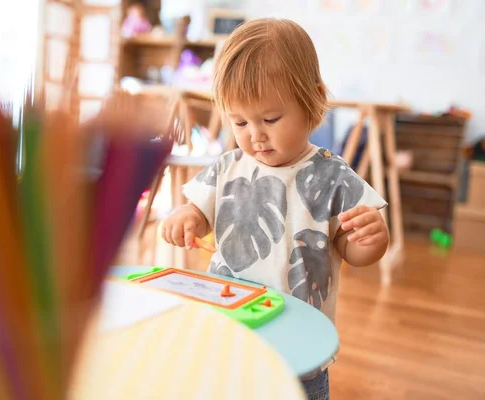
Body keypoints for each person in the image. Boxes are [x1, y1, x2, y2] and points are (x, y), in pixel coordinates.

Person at [161, 18, 389, 399]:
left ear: (312, 99)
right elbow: (197, 212)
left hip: (297, 347)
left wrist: (371, 238)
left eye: (270, 119)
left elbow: (355, 250)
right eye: (239, 121)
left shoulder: (333, 175)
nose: (255, 134)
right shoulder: (228, 165)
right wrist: (185, 217)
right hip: (227, 331)